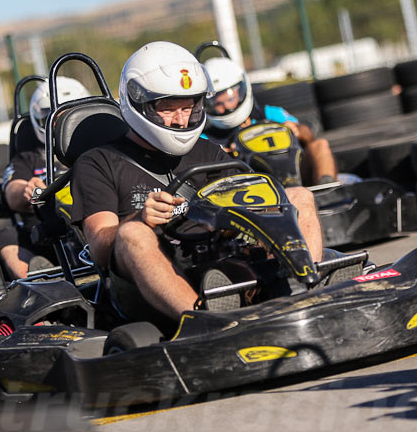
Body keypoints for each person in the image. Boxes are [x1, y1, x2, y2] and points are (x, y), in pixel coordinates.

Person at [70, 41, 324, 323]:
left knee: (298, 196)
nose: (181, 121)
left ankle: (305, 292)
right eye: (169, 108)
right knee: (132, 235)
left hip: (217, 257)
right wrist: (140, 218)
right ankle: (204, 321)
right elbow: (101, 247)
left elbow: (250, 205)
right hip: (145, 283)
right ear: (139, 102)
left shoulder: (211, 152)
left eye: (188, 107)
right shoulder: (97, 163)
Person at [0, 76, 90, 278]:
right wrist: (28, 192)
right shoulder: (29, 158)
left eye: (67, 115)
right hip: (46, 234)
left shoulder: (98, 149)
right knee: (6, 237)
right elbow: (12, 191)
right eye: (52, 117)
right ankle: (38, 279)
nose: (59, 123)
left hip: (94, 218)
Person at [200, 55, 340, 186]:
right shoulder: (207, 138)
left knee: (320, 144)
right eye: (218, 103)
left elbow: (308, 136)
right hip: (253, 187)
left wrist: (296, 130)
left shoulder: (269, 113)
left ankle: (327, 188)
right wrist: (222, 155)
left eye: (230, 98)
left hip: (295, 172)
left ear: (241, 89)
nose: (226, 106)